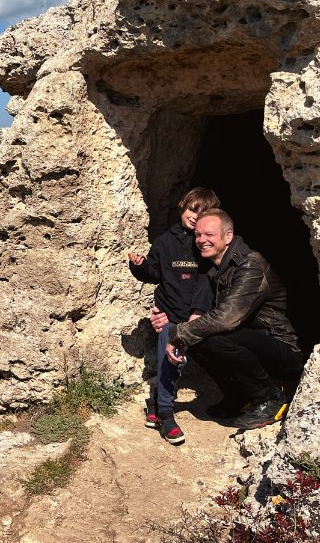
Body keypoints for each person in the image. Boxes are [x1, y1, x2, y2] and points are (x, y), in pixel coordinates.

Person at [160, 209, 304, 430]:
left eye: (208, 234)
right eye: (198, 235)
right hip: (252, 345)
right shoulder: (214, 271)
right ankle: (238, 396)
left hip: (282, 354)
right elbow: (190, 309)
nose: (201, 240)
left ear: (227, 237)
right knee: (197, 338)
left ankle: (269, 399)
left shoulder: (250, 266)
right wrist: (164, 317)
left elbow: (227, 318)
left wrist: (178, 333)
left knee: (217, 337)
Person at [129, 187, 219, 444]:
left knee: (177, 360)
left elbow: (206, 283)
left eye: (202, 213)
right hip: (167, 314)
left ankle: (156, 405)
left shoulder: (204, 245)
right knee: (170, 361)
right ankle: (166, 414)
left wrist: (196, 317)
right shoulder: (165, 242)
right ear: (183, 207)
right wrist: (139, 266)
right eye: (192, 209)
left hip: (194, 316)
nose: (194, 216)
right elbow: (155, 274)